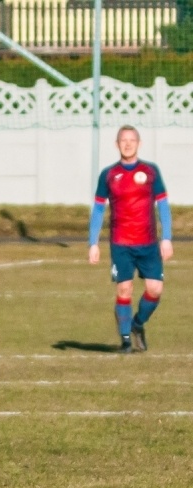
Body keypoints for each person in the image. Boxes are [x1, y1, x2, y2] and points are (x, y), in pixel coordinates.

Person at [89, 125, 172, 353]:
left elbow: (163, 205)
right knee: (124, 290)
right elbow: (97, 209)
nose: (127, 144)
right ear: (117, 145)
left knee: (155, 289)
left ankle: (137, 325)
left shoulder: (151, 171)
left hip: (148, 243)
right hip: (121, 244)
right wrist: (93, 243)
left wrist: (166, 238)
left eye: (132, 140)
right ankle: (125, 340)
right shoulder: (108, 175)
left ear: (139, 143)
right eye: (123, 140)